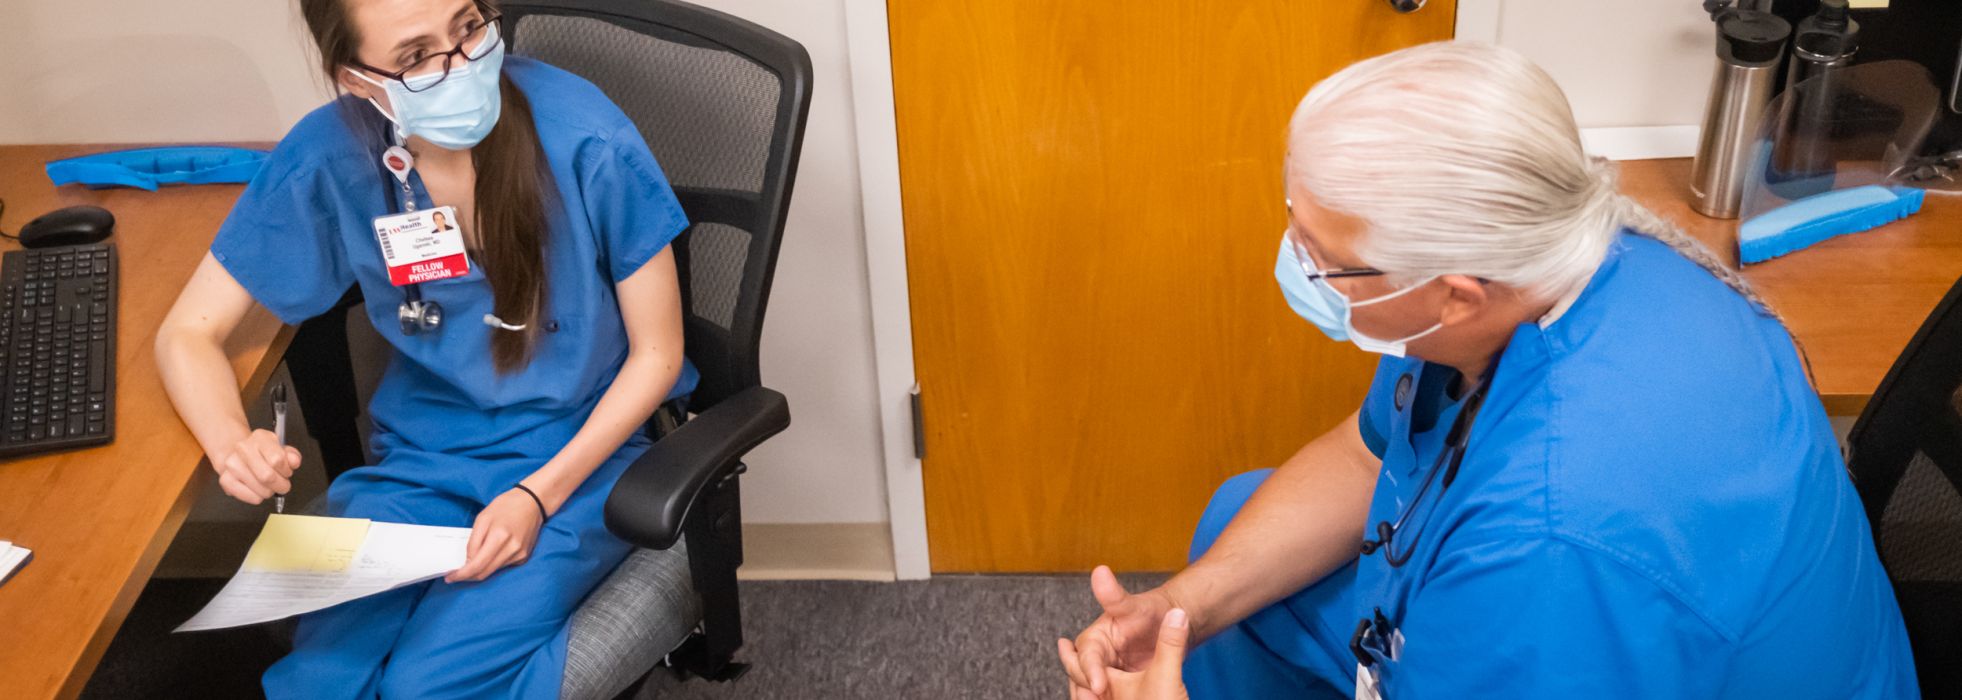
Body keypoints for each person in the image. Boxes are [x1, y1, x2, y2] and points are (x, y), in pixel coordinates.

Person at [1059, 41, 1917, 699]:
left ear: (1456, 293)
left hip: (1574, 618)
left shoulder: (1549, 543)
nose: (1296, 265)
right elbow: (1373, 458)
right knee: (1229, 532)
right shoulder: (1561, 255)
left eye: (1325, 260)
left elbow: (1542, 567)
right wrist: (1176, 611)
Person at [152, 0, 699, 695]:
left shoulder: (584, 136)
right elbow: (186, 334)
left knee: (428, 685)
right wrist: (233, 442)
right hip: (424, 460)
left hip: (581, 462)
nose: (462, 64)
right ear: (357, 79)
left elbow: (659, 355)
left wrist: (535, 496)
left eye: (469, 26)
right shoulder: (329, 155)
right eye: (415, 57)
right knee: (322, 676)